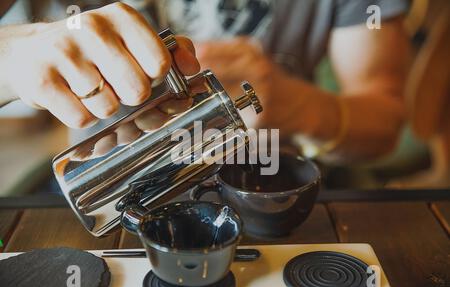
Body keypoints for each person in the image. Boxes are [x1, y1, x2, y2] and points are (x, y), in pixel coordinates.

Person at [0, 0, 410, 164]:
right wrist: (14, 53)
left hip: (271, 193)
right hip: (97, 190)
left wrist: (297, 105)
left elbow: (383, 125)